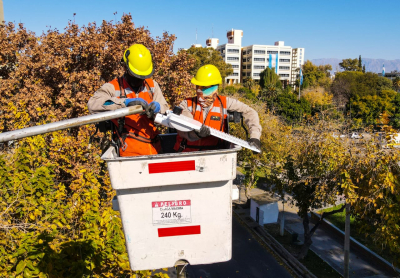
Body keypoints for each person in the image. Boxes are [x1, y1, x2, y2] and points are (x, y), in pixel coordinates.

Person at [87, 44, 169, 157]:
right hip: (129, 153)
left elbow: (165, 107)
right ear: (125, 67)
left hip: (155, 149)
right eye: (135, 75)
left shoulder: (152, 85)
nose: (139, 79)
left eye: (142, 76)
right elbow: (93, 105)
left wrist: (158, 107)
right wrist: (125, 103)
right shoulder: (113, 87)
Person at [173, 64, 262, 153]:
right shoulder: (186, 104)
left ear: (215, 88)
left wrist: (255, 137)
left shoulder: (224, 102)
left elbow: (250, 112)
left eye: (207, 89)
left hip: (216, 156)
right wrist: (196, 134)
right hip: (188, 155)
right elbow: (182, 128)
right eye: (200, 87)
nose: (202, 92)